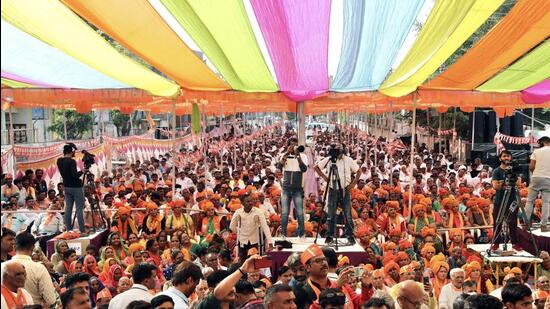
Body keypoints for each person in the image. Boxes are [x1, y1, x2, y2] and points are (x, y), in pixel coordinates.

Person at [314, 143, 361, 245]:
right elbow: (316, 167)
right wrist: (325, 177)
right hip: (332, 189)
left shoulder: (348, 160)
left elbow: (359, 171)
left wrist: (352, 184)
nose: (337, 154)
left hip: (345, 189)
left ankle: (350, 236)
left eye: (339, 152)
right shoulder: (330, 159)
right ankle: (330, 236)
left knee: (347, 214)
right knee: (331, 214)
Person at [196, 255, 260, 309]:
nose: (232, 289)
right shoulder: (207, 304)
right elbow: (218, 294)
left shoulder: (233, 306)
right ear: (211, 290)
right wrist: (242, 270)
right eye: (226, 286)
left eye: (233, 285)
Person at [11, 232, 56, 307]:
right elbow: (51, 300)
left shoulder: (2, 267)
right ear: (33, 247)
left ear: (14, 247)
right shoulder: (39, 268)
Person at [277, 137, 308, 241]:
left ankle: (302, 234)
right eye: (292, 144)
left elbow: (304, 169)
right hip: (286, 188)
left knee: (299, 212)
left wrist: (297, 155)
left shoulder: (303, 156)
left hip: (297, 189)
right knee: (285, 213)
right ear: (288, 145)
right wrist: (287, 153)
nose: (294, 146)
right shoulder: (284, 155)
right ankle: (283, 234)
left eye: (295, 144)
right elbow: (279, 167)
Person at [491, 150, 521, 251]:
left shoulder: (514, 170)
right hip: (500, 201)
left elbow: (518, 183)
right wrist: (504, 183)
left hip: (512, 200)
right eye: (504, 156)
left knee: (513, 223)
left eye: (508, 156)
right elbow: (495, 186)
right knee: (497, 222)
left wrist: (504, 184)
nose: (506, 158)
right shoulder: (497, 171)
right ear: (500, 158)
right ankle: (495, 243)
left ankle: (515, 243)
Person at [230, 194, 272, 262]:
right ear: (242, 203)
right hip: (242, 241)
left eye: (251, 201)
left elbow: (265, 227)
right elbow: (231, 226)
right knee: (243, 262)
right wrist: (239, 231)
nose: (250, 203)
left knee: (255, 261)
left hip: (254, 241)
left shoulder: (258, 212)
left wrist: (270, 242)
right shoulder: (238, 212)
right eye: (248, 201)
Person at [57, 143, 86, 233]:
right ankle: (82, 230)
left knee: (68, 208)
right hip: (76, 187)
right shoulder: (71, 161)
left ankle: (69, 230)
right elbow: (74, 175)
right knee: (79, 209)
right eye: (74, 151)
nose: (74, 153)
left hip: (66, 186)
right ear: (71, 151)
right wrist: (82, 171)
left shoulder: (59, 161)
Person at [525, 136, 550, 232]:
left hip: (536, 177)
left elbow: (531, 166)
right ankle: (543, 226)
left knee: (530, 201)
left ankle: (526, 224)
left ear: (543, 143)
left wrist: (536, 173)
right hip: (548, 178)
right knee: (546, 202)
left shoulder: (536, 152)